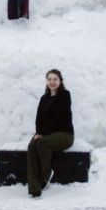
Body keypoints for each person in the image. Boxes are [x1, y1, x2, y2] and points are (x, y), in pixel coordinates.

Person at [26, 69, 74, 198]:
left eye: (55, 79)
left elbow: (58, 118)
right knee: (31, 146)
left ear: (60, 81)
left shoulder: (65, 95)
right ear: (47, 81)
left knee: (41, 143)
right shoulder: (44, 98)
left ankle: (46, 176)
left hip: (64, 134)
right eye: (49, 79)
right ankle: (35, 189)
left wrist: (42, 134)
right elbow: (38, 119)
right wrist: (39, 132)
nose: (52, 82)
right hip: (45, 133)